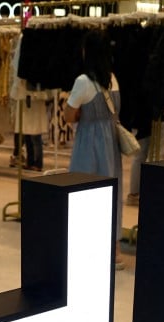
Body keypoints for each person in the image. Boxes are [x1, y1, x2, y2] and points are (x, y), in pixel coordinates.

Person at [64, 30, 125, 270]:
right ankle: (114, 250)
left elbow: (69, 116)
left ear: (86, 52)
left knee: (84, 190)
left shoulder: (83, 82)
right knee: (111, 192)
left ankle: (86, 247)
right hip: (111, 144)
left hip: (88, 143)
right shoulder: (113, 79)